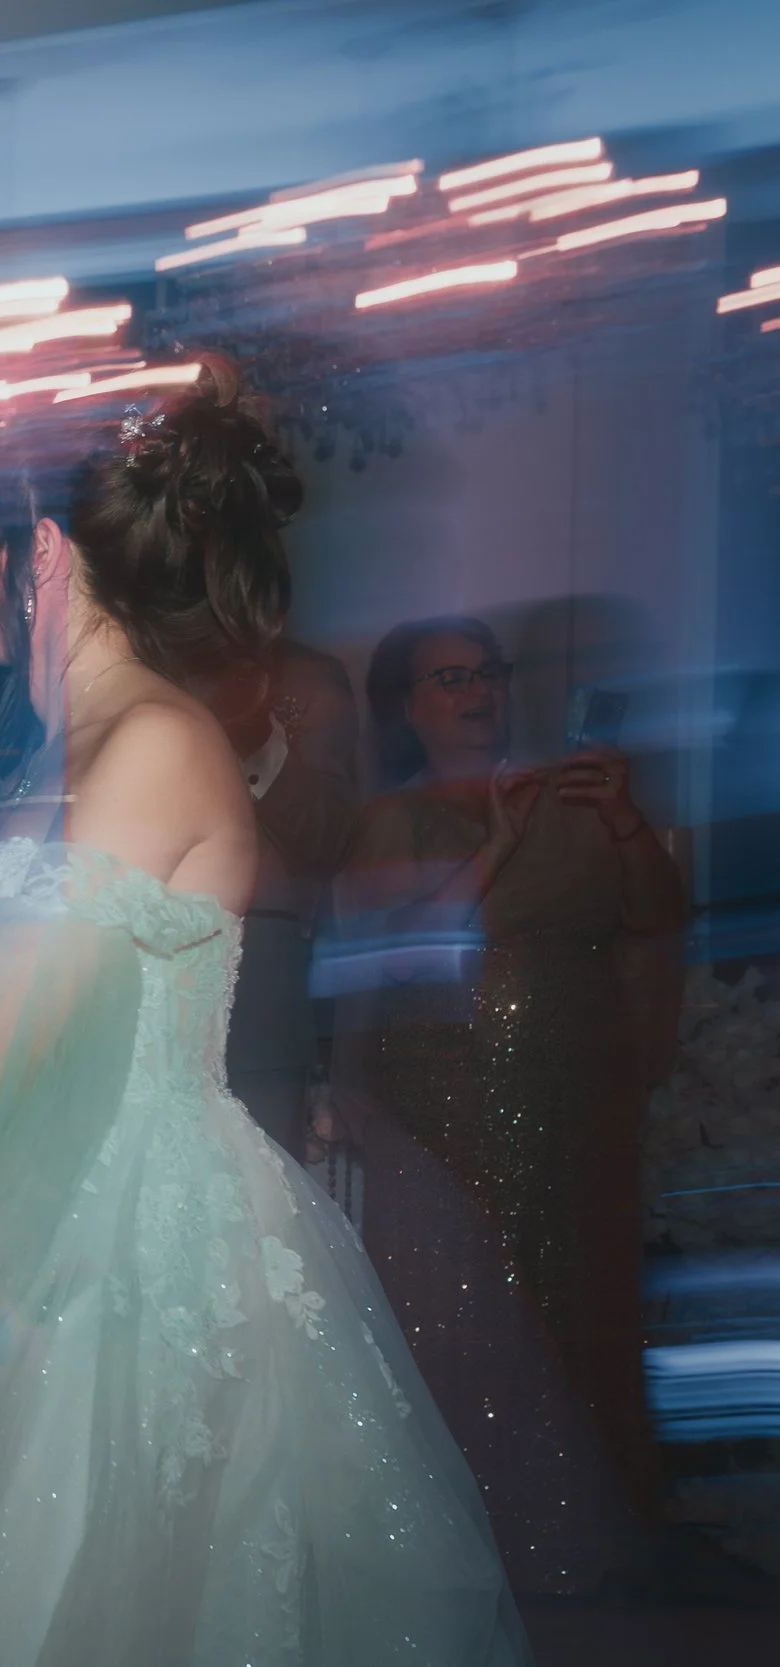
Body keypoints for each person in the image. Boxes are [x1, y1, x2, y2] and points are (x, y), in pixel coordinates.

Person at [0, 368, 530, 1664]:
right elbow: (6, 998)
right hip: (51, 1208)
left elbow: (2, 1028)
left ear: (37, 550)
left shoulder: (152, 740)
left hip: (133, 1239)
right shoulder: (76, 746)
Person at [326, 615, 686, 1588]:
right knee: (477, 1299)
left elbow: (656, 912)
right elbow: (392, 954)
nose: (479, 691)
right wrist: (496, 841)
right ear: (406, 706)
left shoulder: (571, 795)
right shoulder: (392, 819)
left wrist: (622, 818)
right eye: (451, 677)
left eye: (488, 671)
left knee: (585, 1289)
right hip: (449, 1085)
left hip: (580, 1083)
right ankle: (475, 1545)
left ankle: (591, 1537)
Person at [209, 639, 360, 1157]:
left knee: (255, 1182)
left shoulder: (307, 681)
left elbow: (331, 837)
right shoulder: (127, 652)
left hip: (255, 984)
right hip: (122, 964)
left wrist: (257, 741)